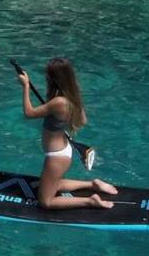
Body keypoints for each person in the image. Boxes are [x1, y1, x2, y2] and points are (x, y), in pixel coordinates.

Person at [18, 58, 119, 210]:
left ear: (53, 78)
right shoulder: (72, 97)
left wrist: (25, 86)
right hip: (62, 150)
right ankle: (93, 184)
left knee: (45, 202)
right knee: (53, 183)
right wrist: (60, 121)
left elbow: (29, 113)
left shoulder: (59, 102)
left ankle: (90, 201)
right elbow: (82, 121)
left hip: (56, 155)